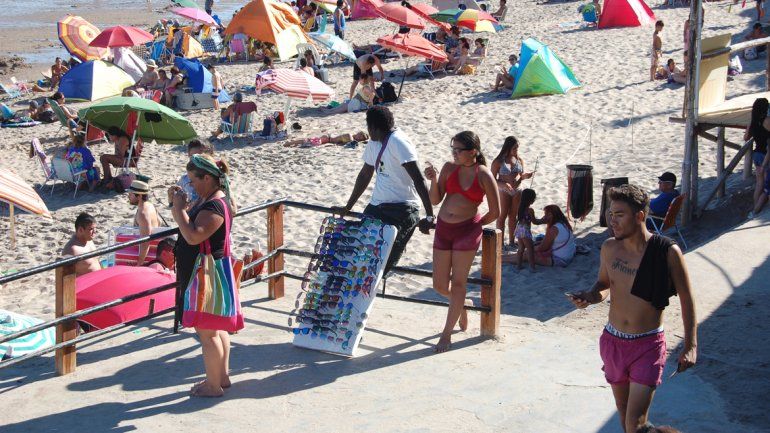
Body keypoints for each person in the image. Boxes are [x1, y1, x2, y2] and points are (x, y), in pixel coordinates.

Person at [567, 184, 697, 433]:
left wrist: (691, 345)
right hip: (613, 342)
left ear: (640, 216)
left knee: (636, 423)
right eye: (610, 214)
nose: (612, 221)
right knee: (625, 416)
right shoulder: (609, 248)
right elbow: (604, 285)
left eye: (619, 215)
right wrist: (590, 297)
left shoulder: (667, 252)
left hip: (647, 345)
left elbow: (687, 298)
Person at [170, 153, 242, 398]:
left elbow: (194, 236)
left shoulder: (214, 205)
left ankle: (213, 386)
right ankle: (221, 377)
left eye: (193, 180)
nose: (191, 185)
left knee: (207, 332)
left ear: (208, 178)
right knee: (217, 328)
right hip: (211, 272)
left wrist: (178, 209)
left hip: (207, 275)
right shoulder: (212, 199)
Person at [334, 106, 435, 276]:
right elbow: (365, 174)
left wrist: (430, 216)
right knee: (359, 257)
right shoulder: (374, 143)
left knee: (380, 265)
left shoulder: (398, 142)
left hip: (402, 209)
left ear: (373, 127)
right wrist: (348, 207)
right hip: (377, 206)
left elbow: (419, 179)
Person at [423, 131, 499, 352]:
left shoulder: (483, 174)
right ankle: (461, 303)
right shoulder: (449, 168)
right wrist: (434, 179)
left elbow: (495, 211)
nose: (454, 153)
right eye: (452, 149)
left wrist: (475, 225)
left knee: (458, 283)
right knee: (439, 285)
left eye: (458, 150)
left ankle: (446, 335)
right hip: (444, 229)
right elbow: (436, 200)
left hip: (467, 231)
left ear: (473, 152)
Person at [490, 136, 532, 246]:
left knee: (513, 216)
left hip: (517, 190)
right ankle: (500, 244)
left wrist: (524, 176)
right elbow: (491, 180)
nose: (516, 150)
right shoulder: (498, 161)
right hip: (503, 191)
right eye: (514, 148)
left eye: (517, 148)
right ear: (507, 148)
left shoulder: (519, 160)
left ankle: (512, 241)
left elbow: (520, 175)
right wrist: (503, 184)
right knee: (501, 217)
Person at [505, 204, 576, 268]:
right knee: (529, 249)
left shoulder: (554, 229)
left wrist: (529, 248)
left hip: (560, 259)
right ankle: (503, 257)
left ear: (551, 215)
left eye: (545, 214)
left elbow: (542, 248)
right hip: (569, 255)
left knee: (527, 254)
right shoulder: (563, 223)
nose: (544, 217)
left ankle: (501, 259)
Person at [743, 97, 770, 218]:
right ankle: (756, 211)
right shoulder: (767, 121)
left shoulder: (752, 121)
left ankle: (755, 208)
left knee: (759, 183)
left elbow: (746, 138)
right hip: (766, 155)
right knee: (766, 186)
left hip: (757, 153)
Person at [128, 180, 161, 266]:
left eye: (131, 194)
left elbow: (145, 242)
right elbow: (159, 222)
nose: (128, 196)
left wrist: (139, 264)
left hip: (147, 258)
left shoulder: (143, 213)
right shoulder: (150, 205)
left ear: (139, 196)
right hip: (154, 251)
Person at [513, 189, 541, 272]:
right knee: (530, 249)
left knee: (521, 248)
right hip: (525, 230)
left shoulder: (520, 208)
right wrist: (543, 220)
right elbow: (535, 222)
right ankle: (532, 267)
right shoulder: (530, 210)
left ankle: (518, 266)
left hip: (519, 229)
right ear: (531, 200)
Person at [284, 131, 369, 147]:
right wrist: (362, 143)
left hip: (328, 139)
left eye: (361, 139)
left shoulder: (349, 135)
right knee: (308, 141)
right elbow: (351, 143)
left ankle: (293, 142)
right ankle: (290, 142)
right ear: (358, 134)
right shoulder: (350, 135)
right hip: (327, 139)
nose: (359, 139)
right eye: (360, 137)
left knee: (308, 140)